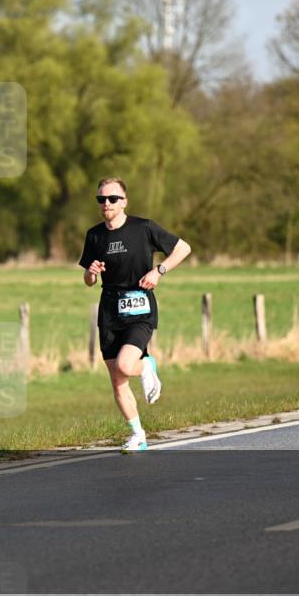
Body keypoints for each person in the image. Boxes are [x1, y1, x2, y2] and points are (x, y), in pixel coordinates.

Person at [78, 178, 192, 454]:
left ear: (124, 201)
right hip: (109, 309)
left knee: (127, 365)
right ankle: (138, 434)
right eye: (101, 200)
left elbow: (183, 248)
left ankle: (147, 367)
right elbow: (88, 281)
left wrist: (159, 271)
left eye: (112, 199)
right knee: (117, 378)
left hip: (139, 306)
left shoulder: (143, 228)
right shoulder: (94, 235)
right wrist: (91, 272)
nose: (107, 204)